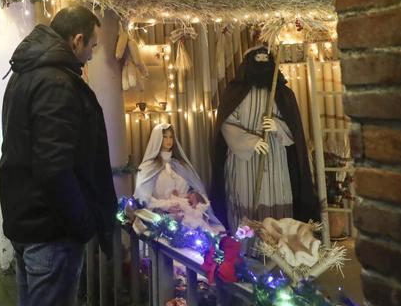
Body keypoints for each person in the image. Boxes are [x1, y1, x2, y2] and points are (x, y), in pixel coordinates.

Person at [0, 6, 117, 306]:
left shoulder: (26, 72)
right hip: (50, 232)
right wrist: (82, 224)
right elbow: (54, 168)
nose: (92, 56)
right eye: (92, 46)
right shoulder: (56, 83)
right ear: (77, 40)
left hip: (27, 221)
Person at [209, 46, 319, 233]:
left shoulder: (283, 93)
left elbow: (295, 131)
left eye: (265, 58)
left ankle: (278, 247)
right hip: (243, 160)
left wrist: (278, 126)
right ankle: (247, 248)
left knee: (276, 200)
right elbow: (226, 124)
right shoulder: (234, 92)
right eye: (257, 58)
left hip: (276, 157)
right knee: (246, 200)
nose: (261, 62)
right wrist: (250, 141)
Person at [134, 123, 224, 234]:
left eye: (171, 137)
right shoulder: (147, 167)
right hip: (162, 219)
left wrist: (196, 198)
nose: (169, 140)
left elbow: (197, 190)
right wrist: (166, 206)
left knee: (209, 238)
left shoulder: (181, 165)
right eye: (165, 137)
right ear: (156, 139)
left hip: (189, 215)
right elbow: (143, 197)